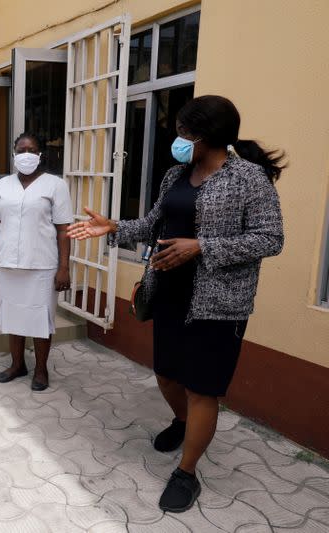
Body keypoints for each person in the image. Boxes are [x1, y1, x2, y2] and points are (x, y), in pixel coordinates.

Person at [67, 95, 285, 512]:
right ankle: (182, 422)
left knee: (202, 388)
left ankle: (187, 473)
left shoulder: (248, 179)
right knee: (167, 375)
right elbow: (152, 224)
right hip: (167, 293)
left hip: (217, 303)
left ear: (206, 136)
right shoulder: (175, 176)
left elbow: (270, 239)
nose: (178, 138)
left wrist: (201, 247)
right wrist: (113, 226)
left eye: (185, 132)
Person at [0, 133, 74, 391]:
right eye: (21, 150)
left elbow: (64, 230)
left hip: (42, 265)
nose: (26, 154)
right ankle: (17, 364)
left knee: (41, 320)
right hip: (7, 263)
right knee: (13, 316)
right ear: (14, 154)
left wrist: (64, 267)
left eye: (31, 149)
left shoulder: (56, 185)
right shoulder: (3, 185)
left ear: (40, 154)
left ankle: (41, 370)